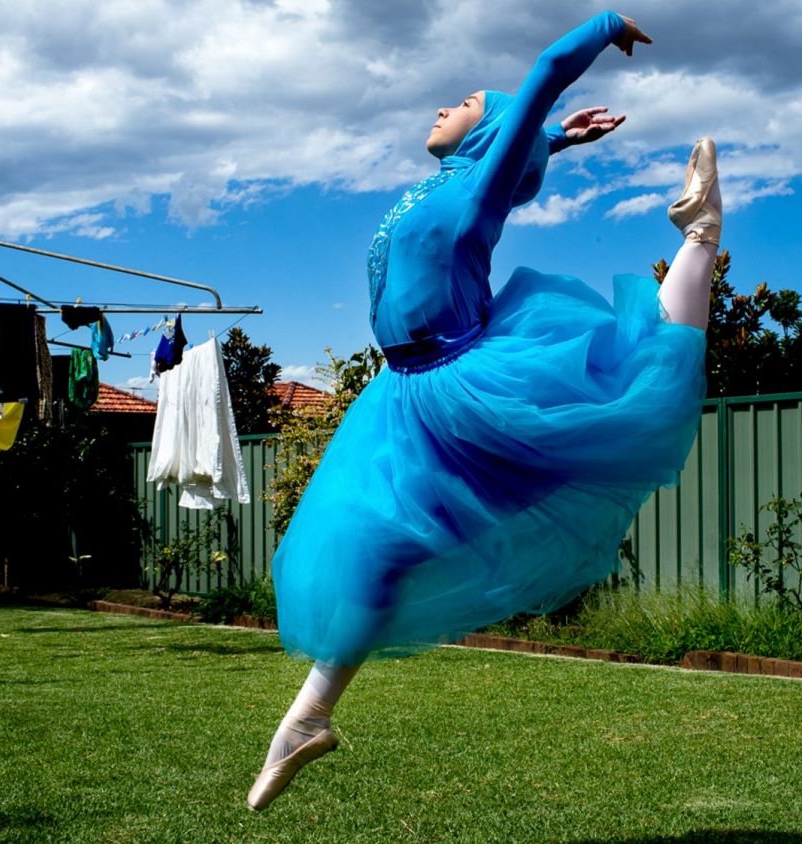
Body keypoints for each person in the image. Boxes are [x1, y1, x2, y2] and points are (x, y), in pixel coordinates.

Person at [247, 10, 721, 811]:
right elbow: (518, 135)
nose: (442, 104)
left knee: (636, 384)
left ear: (492, 129)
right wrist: (555, 143)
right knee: (379, 552)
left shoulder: (473, 188)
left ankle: (701, 233)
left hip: (464, 383)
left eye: (464, 98)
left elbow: (542, 74)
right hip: (400, 392)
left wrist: (603, 25)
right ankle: (309, 719)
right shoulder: (443, 182)